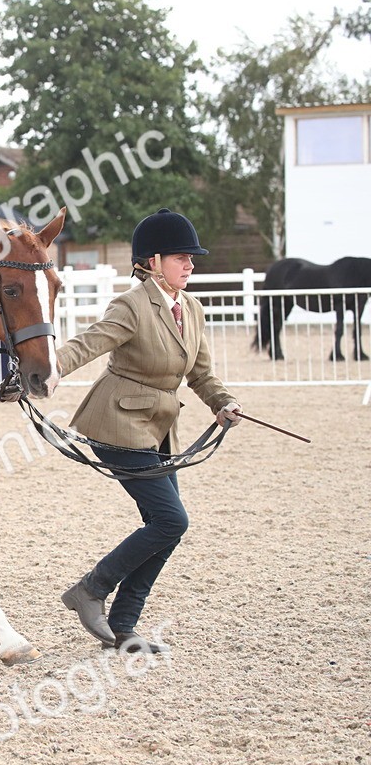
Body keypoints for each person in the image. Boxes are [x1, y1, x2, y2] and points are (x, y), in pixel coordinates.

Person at [56, 208, 242, 654]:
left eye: (192, 258)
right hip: (116, 423)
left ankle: (123, 627)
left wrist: (223, 402)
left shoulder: (191, 309)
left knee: (165, 525)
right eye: (182, 257)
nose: (191, 265)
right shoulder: (132, 304)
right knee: (171, 519)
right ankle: (90, 590)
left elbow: (200, 373)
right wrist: (51, 370)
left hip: (157, 429)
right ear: (153, 261)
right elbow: (92, 342)